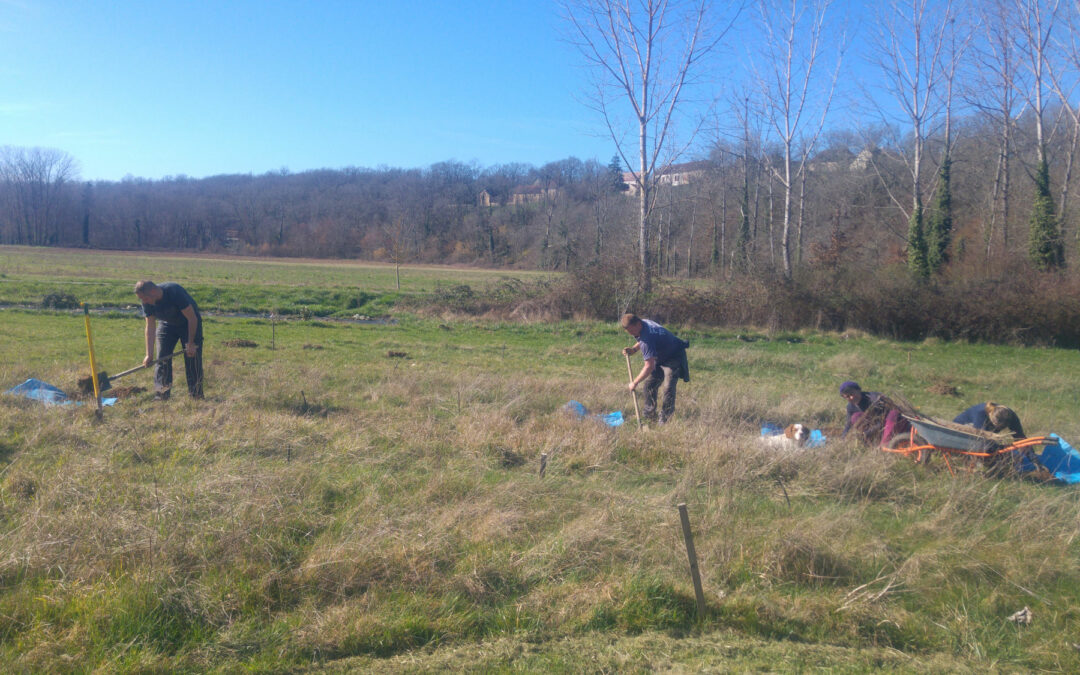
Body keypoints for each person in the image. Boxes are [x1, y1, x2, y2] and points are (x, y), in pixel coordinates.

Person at [135, 280, 203, 400]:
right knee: (162, 358)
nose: (143, 302)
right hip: (166, 324)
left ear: (153, 291)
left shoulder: (174, 291)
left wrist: (191, 342)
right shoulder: (146, 302)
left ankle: (196, 395)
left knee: (192, 357)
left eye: (145, 298)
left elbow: (192, 318)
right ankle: (162, 394)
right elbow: (150, 327)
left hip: (188, 323)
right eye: (141, 299)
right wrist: (148, 355)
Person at [620, 313, 689, 425]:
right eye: (629, 332)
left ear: (637, 324)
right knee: (650, 385)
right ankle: (649, 415)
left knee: (668, 388)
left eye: (632, 331)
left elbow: (649, 366)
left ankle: (665, 420)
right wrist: (633, 349)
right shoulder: (644, 323)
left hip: (674, 356)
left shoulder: (647, 335)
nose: (632, 334)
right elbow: (642, 340)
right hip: (660, 355)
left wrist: (635, 382)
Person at [839, 380, 908, 445]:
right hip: (875, 428)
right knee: (855, 417)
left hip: (891, 424)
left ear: (858, 390)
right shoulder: (851, 407)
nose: (851, 397)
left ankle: (885, 444)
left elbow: (882, 422)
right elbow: (848, 424)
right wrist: (843, 438)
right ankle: (871, 442)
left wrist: (868, 433)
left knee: (893, 414)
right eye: (847, 396)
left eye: (852, 394)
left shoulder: (874, 399)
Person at [953, 402, 1026, 440]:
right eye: (996, 426)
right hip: (959, 433)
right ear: (991, 416)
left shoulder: (1011, 416)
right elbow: (981, 440)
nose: (998, 429)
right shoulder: (980, 414)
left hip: (985, 435)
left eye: (1001, 428)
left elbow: (1021, 438)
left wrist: (1034, 460)